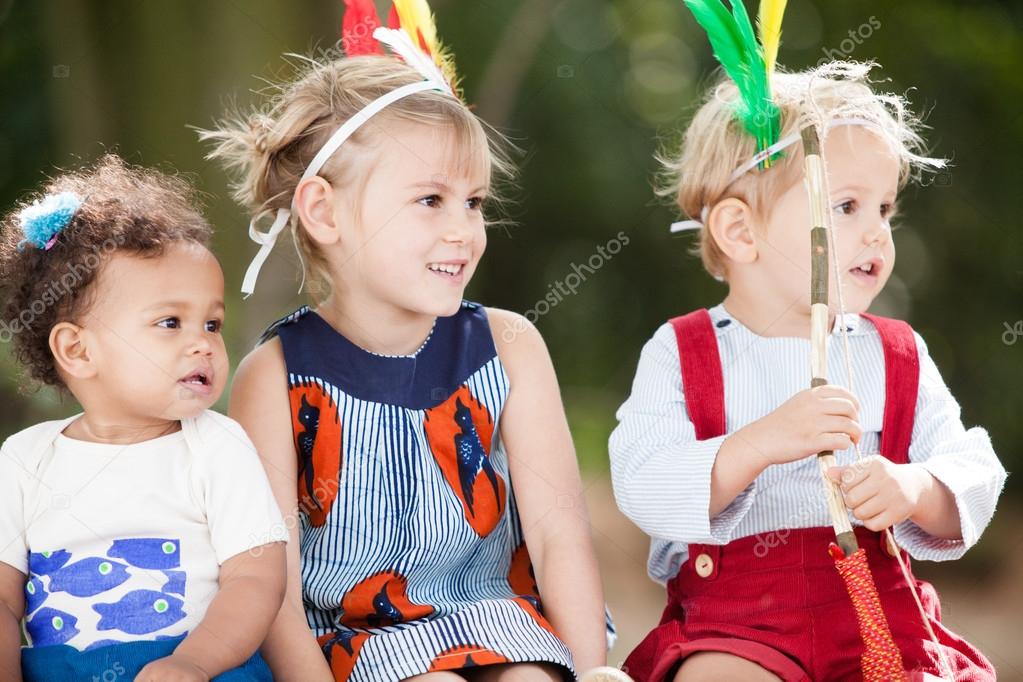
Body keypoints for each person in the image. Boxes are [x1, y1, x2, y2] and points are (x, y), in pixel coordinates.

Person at [203, 2, 612, 680]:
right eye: (430, 201)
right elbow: (270, 577)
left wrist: (591, 670)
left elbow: (557, 534)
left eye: (474, 202)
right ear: (323, 211)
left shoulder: (507, 346)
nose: (463, 230)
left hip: (498, 617)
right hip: (359, 641)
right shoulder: (273, 377)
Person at [608, 7, 1006, 678]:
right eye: (845, 206)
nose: (877, 233)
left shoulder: (895, 353)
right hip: (739, 624)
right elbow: (642, 479)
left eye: (884, 209)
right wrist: (755, 444)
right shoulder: (685, 351)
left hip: (882, 615)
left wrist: (912, 486)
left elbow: (970, 470)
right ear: (740, 233)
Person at [0, 155, 288, 682]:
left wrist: (193, 662)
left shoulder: (218, 446)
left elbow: (256, 578)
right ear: (78, 350)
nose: (202, 342)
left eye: (212, 322)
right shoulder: (23, 460)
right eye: (170, 322)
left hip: (203, 664)